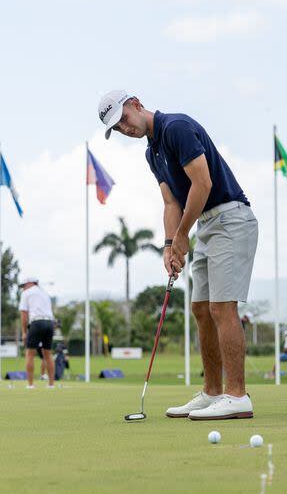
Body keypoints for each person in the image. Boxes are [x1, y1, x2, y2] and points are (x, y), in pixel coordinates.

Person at [99, 90, 258, 420]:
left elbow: (203, 184)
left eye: (124, 119)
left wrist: (184, 235)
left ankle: (237, 395)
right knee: (200, 309)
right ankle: (213, 393)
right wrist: (170, 245)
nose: (124, 128)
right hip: (204, 225)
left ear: (137, 104)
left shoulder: (176, 127)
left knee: (221, 307)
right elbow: (171, 202)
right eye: (117, 128)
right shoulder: (151, 152)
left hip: (231, 217)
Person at [18, 277, 55, 389]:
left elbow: (24, 315)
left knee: (30, 352)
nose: (23, 288)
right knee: (47, 353)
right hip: (49, 322)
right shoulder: (45, 294)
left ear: (30, 283)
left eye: (24, 286)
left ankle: (30, 384)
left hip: (37, 322)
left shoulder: (26, 293)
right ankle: (51, 384)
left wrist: (24, 332)